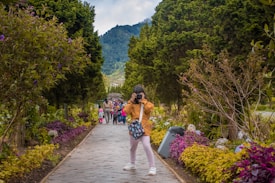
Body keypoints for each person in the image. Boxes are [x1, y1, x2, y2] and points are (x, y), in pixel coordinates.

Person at [123, 84, 156, 175]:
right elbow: (125, 111)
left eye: (140, 94)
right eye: (137, 94)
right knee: (132, 148)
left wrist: (143, 100)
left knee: (146, 146)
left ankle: (152, 167)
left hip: (144, 129)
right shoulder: (132, 104)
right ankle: (132, 163)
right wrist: (131, 100)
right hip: (134, 129)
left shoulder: (146, 103)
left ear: (144, 94)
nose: (138, 96)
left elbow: (150, 108)